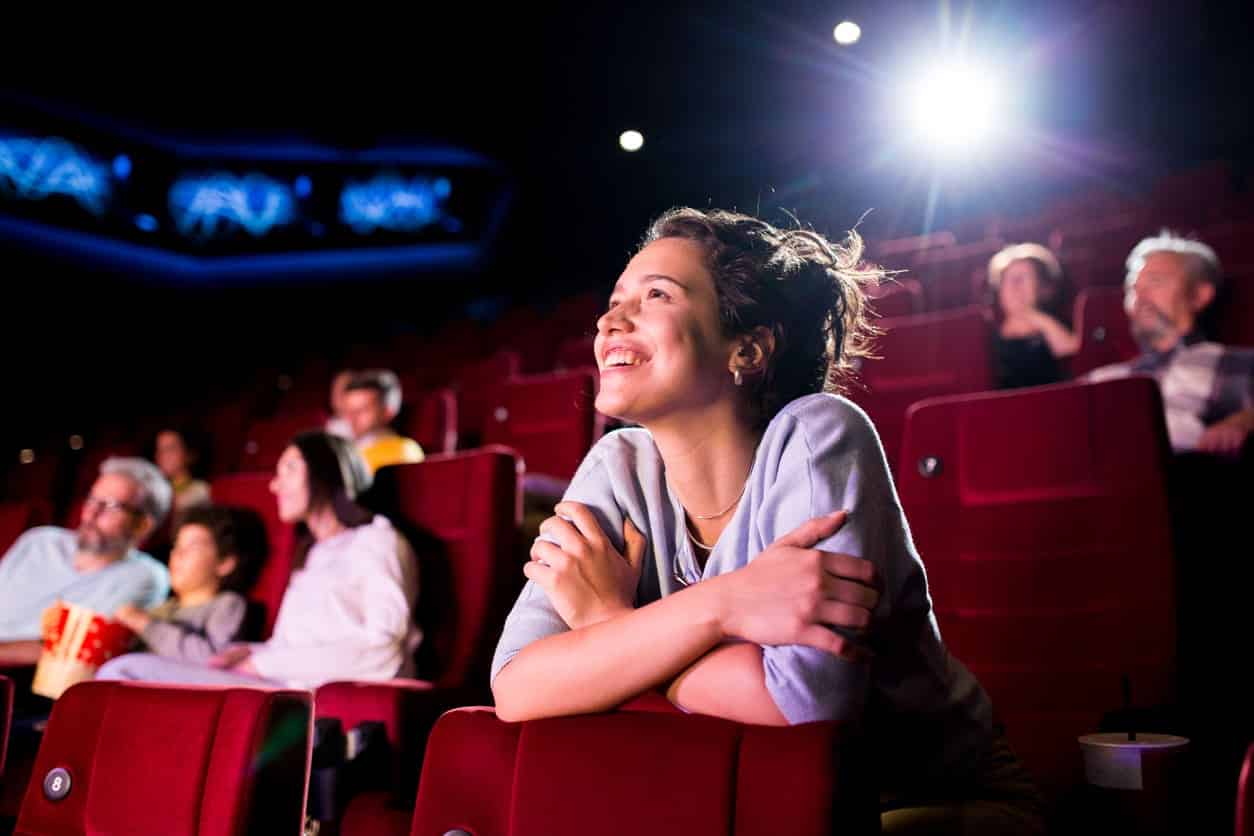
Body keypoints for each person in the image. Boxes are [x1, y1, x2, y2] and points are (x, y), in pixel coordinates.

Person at [490, 208, 1043, 834]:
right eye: (615, 300)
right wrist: (721, 606)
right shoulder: (618, 464)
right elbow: (517, 684)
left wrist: (611, 628)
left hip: (920, 802)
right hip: (751, 805)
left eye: (656, 295)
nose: (609, 321)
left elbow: (807, 704)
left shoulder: (818, 434)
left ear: (746, 348)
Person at [98, 432, 420, 689]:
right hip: (280, 681)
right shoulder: (314, 552)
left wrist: (264, 663)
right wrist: (257, 652)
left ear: (327, 471)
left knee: (124, 672)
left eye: (290, 469)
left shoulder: (377, 540)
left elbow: (382, 650)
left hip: (307, 693)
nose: (274, 485)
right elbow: (300, 645)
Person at [1088, 230, 1254, 454]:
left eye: (1155, 282)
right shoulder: (1103, 378)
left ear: (1200, 294)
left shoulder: (1239, 362)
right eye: (1132, 288)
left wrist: (1242, 422)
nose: (1140, 296)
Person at [0, 457, 171, 664]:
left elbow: (76, 649)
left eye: (110, 505)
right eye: (91, 498)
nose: (92, 512)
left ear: (142, 525)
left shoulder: (146, 577)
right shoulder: (39, 541)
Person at [111, 505, 263, 663]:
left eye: (192, 547)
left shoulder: (228, 604)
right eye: (176, 546)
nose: (178, 554)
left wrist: (145, 624)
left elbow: (213, 659)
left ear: (224, 563)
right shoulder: (165, 607)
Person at [985, 242, 1078, 389]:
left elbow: (1072, 356)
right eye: (1007, 279)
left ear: (1044, 287)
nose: (1014, 286)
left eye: (1022, 278)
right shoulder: (987, 339)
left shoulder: (1060, 327)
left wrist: (1034, 316)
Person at [342, 369, 424, 474]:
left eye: (362, 410)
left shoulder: (403, 451)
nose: (351, 417)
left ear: (388, 412)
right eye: (348, 410)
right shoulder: (348, 452)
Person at [152, 427, 211, 517]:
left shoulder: (201, 491)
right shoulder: (153, 491)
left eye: (170, 449)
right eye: (159, 449)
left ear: (188, 454)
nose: (162, 455)